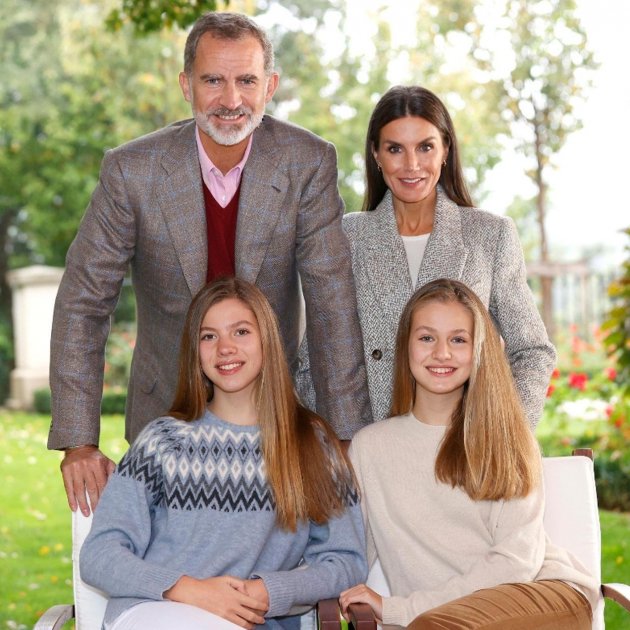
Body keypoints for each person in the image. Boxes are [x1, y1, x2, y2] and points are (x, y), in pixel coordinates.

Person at [48, 11, 371, 516]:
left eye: (246, 80)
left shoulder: (307, 162)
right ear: (186, 85)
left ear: (270, 86)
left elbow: (332, 300)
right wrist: (78, 441)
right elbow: (83, 302)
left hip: (274, 418)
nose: (230, 100)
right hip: (165, 416)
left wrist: (347, 436)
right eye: (212, 81)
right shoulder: (131, 171)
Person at [79, 277, 367, 630]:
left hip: (251, 618)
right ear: (195, 352)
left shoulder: (311, 443)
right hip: (153, 611)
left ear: (267, 340)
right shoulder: (162, 441)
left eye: (241, 332)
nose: (225, 347)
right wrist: (189, 590)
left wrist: (269, 591)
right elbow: (99, 555)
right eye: (208, 336)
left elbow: (346, 561)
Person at [339, 278, 597, 629]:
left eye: (458, 340)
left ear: (478, 350)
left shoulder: (506, 436)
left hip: (544, 595)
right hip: (442, 619)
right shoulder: (370, 448)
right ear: (406, 346)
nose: (442, 353)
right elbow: (349, 553)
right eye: (427, 337)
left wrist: (403, 608)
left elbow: (516, 563)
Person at [297, 85, 554, 426]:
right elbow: (313, 358)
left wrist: (503, 436)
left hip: (464, 449)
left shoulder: (489, 235)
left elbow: (532, 351)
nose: (411, 165)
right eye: (395, 149)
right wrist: (339, 444)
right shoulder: (346, 237)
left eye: (425, 147)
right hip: (370, 448)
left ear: (446, 149)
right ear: (375, 154)